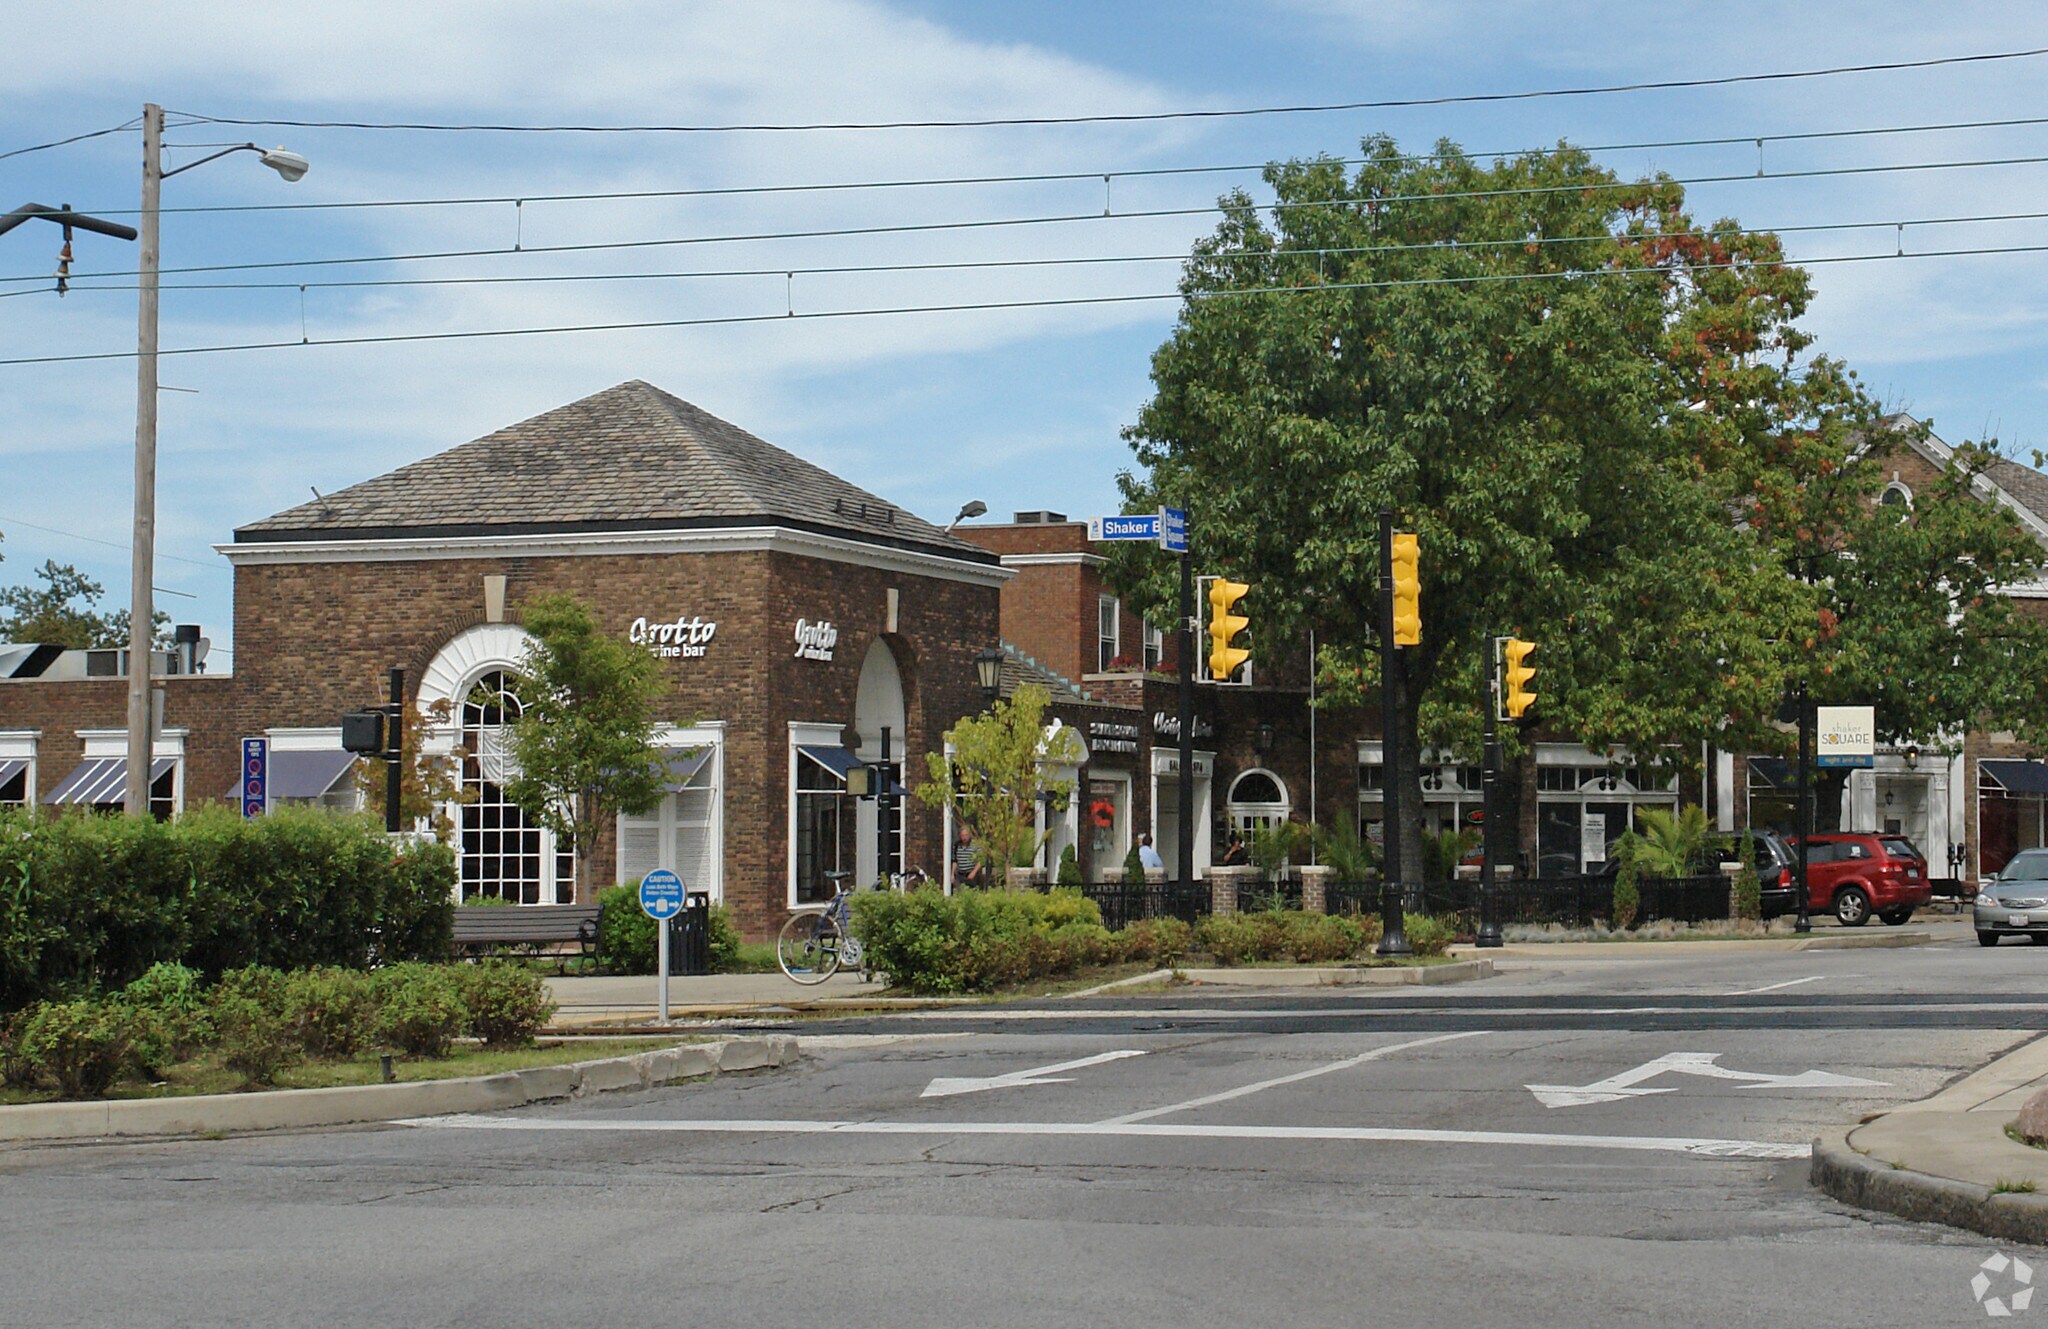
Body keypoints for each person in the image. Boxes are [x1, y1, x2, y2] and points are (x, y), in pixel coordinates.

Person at [953, 823, 986, 888]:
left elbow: (981, 860)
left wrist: (974, 872)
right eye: (962, 836)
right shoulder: (957, 845)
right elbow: (955, 861)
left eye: (966, 835)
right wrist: (952, 873)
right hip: (960, 874)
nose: (964, 838)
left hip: (972, 874)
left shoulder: (975, 845)